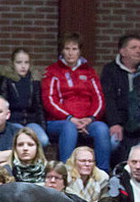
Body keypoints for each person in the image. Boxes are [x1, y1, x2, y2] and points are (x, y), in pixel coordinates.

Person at [42, 32, 112, 171]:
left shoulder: (89, 72)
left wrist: (90, 119)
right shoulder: (53, 71)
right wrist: (70, 118)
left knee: (102, 129)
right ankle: (66, 172)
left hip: (87, 121)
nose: (70, 53)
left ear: (80, 51)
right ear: (62, 51)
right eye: (67, 49)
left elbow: (99, 99)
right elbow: (49, 100)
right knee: (69, 127)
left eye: (74, 49)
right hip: (59, 122)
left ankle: (103, 174)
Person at [100, 33, 140, 150]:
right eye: (134, 48)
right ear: (122, 51)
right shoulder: (110, 71)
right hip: (119, 121)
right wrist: (114, 123)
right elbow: (108, 98)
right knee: (113, 143)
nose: (138, 51)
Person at [0, 48, 48, 147]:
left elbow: (39, 107)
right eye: (19, 62)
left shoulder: (34, 80)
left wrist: (42, 127)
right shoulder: (6, 80)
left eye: (26, 62)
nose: (23, 66)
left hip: (31, 121)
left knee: (43, 139)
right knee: (21, 140)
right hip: (13, 121)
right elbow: (2, 105)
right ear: (12, 64)